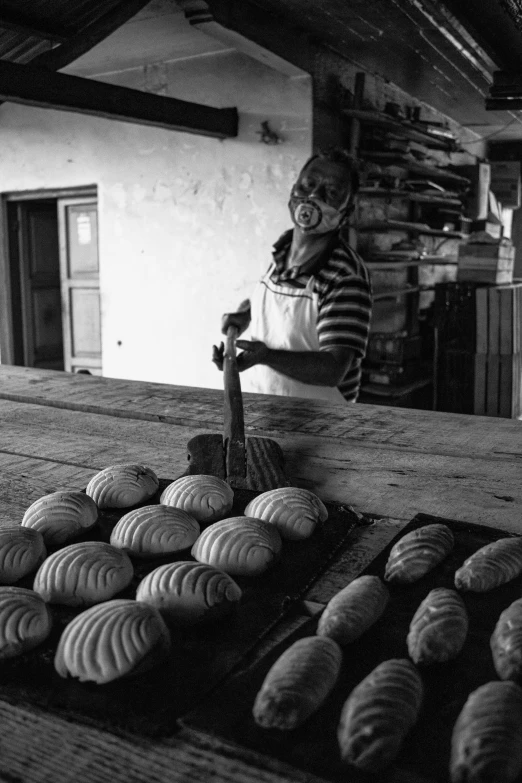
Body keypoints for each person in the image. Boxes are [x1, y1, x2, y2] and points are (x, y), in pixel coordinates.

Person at [213, 148, 372, 402]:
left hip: (322, 423)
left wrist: (266, 356)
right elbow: (279, 308)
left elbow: (333, 369)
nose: (313, 196)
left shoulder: (345, 276)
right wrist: (244, 316)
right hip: (267, 407)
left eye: (331, 193)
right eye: (308, 184)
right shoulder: (283, 252)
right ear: (293, 190)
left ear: (347, 211)